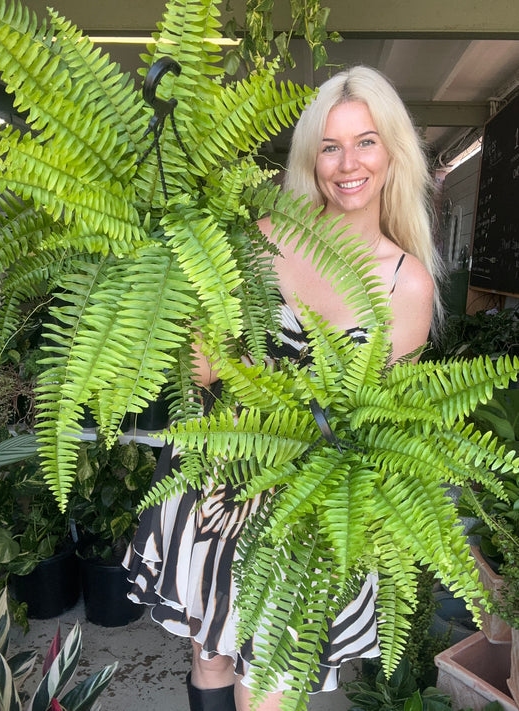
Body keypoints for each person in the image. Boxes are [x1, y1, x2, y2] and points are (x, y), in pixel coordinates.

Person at [123, 65, 442, 711]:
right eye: (329, 145)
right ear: (309, 157)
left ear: (392, 152)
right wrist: (194, 347)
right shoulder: (266, 240)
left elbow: (382, 426)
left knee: (266, 685)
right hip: (214, 480)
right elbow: (202, 358)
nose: (346, 163)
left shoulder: (406, 283)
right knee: (208, 654)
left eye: (365, 141)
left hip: (303, 514)